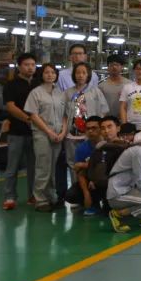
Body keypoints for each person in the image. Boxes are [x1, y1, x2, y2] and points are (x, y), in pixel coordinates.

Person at [25, 63, 67, 212]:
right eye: (46, 72)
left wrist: (62, 132)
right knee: (43, 167)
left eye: (53, 72)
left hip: (58, 135)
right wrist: (49, 132)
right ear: (41, 75)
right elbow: (33, 115)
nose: (50, 75)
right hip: (42, 134)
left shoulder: (60, 93)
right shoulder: (35, 93)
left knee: (53, 168)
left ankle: (51, 196)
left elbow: (65, 115)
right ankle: (40, 199)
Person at [63, 62, 109, 191]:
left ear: (88, 75)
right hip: (72, 135)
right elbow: (64, 114)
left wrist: (98, 130)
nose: (81, 75)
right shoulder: (67, 93)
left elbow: (104, 110)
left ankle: (92, 192)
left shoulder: (95, 92)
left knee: (93, 162)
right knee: (73, 164)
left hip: (91, 136)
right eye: (78, 72)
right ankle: (76, 190)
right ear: (74, 75)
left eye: (84, 73)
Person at [1, 52, 37, 210]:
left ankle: (33, 195)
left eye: (33, 65)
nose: (30, 68)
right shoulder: (11, 85)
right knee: (13, 166)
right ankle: (9, 197)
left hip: (35, 133)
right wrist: (28, 119)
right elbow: (10, 107)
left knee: (34, 167)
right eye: (26, 65)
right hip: (16, 132)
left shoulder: (38, 84)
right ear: (19, 67)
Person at [63, 118, 102, 214]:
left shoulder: (109, 144)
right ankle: (92, 203)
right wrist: (86, 193)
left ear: (101, 129)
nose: (90, 131)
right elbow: (80, 172)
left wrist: (84, 164)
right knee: (71, 195)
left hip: (107, 180)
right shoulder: (82, 148)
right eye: (88, 129)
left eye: (94, 128)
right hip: (90, 181)